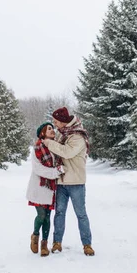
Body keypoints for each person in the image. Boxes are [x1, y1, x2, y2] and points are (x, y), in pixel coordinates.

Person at [42, 107, 95, 256]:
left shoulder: (77, 136)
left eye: (56, 121)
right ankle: (57, 243)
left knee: (81, 214)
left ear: (64, 122)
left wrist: (49, 143)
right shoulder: (62, 134)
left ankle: (87, 244)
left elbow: (67, 152)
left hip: (76, 182)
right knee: (59, 213)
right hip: (61, 182)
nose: (54, 124)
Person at [26, 122, 64, 257]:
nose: (52, 130)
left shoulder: (55, 147)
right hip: (39, 186)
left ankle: (44, 243)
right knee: (41, 215)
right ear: (42, 133)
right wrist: (56, 171)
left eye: (52, 128)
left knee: (48, 217)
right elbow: (38, 169)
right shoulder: (37, 148)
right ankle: (35, 236)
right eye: (49, 129)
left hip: (51, 188)